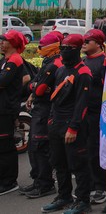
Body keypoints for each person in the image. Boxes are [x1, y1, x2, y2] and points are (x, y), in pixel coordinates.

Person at [41, 34, 93, 214]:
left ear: (77, 50)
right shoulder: (61, 70)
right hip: (56, 123)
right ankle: (64, 196)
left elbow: (82, 103)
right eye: (62, 48)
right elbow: (54, 98)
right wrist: (51, 119)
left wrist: (73, 127)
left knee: (78, 164)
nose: (63, 52)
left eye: (67, 48)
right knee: (58, 162)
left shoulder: (83, 73)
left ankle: (83, 201)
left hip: (72, 125)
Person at [21, 32, 62, 199]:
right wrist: (34, 89)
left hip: (46, 109)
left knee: (40, 147)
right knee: (33, 146)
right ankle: (38, 180)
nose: (39, 49)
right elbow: (34, 84)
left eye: (42, 46)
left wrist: (35, 88)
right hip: (39, 108)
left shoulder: (55, 64)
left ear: (52, 47)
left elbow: (39, 87)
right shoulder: (48, 62)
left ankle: (45, 184)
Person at [80, 28, 106, 205]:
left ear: (98, 44)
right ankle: (89, 184)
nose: (84, 43)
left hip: (98, 114)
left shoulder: (105, 62)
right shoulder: (83, 62)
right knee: (85, 151)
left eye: (87, 41)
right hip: (83, 113)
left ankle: (102, 187)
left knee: (97, 151)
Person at [0, 30, 27, 196]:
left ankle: (9, 182)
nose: (2, 43)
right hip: (2, 108)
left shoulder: (15, 59)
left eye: (5, 40)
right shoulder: (6, 60)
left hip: (6, 109)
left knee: (5, 146)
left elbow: (2, 81)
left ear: (13, 43)